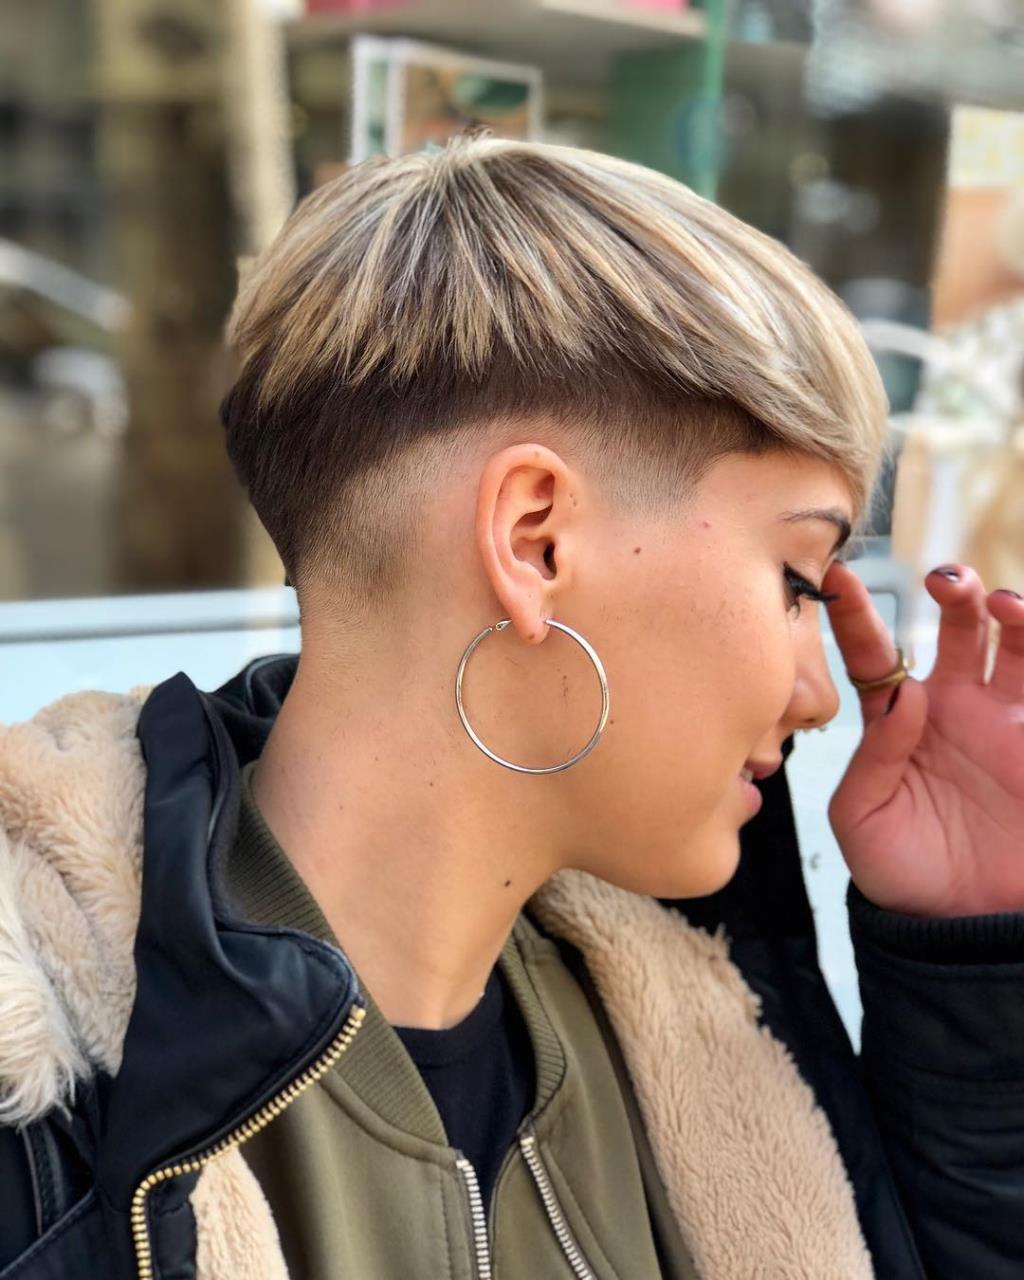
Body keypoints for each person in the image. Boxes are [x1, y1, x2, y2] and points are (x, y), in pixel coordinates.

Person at [0, 133, 1022, 1280]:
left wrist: (967, 979)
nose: (822, 693)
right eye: (796, 580)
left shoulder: (717, 1025)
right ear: (533, 539)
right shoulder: (32, 1079)